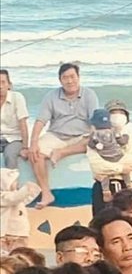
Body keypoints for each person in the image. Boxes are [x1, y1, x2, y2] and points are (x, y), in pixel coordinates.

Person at [29, 62, 99, 207]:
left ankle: (62, 153)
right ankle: (46, 193)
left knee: (96, 140)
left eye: (72, 77)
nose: (69, 81)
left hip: (82, 137)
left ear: (78, 77)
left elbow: (95, 120)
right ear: (60, 80)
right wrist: (33, 142)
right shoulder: (51, 96)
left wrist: (94, 134)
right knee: (36, 153)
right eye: (65, 77)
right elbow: (41, 120)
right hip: (57, 135)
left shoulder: (89, 95)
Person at [0, 67, 31, 171]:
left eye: (3, 82)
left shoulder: (17, 97)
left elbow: (23, 124)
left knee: (9, 155)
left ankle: (12, 185)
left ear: (9, 85)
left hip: (14, 139)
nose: (0, 86)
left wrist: (25, 147)